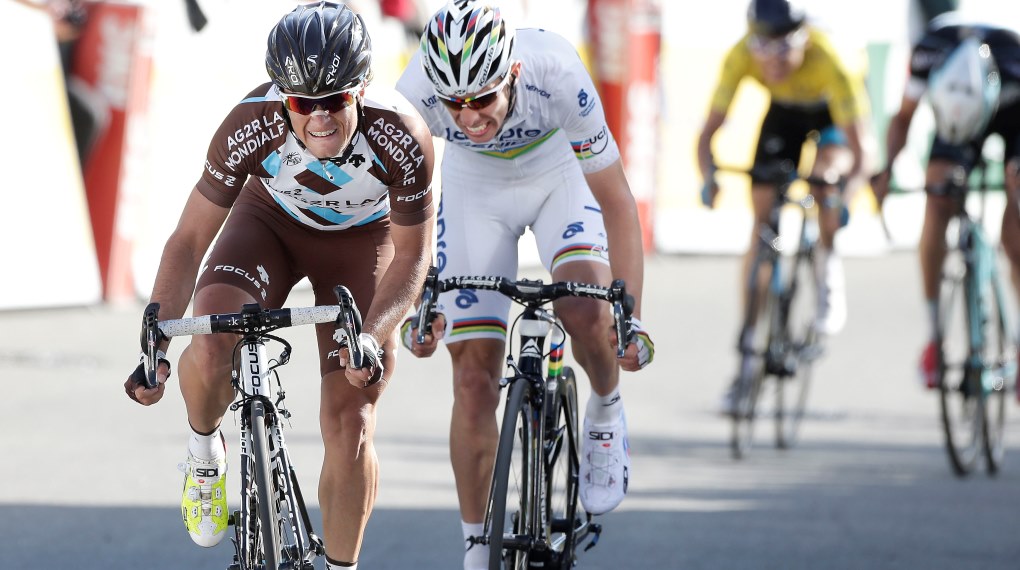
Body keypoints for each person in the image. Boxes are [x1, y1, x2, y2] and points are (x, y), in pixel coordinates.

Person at [121, 3, 435, 569]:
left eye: (334, 100)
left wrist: (372, 332)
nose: (318, 118)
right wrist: (156, 344)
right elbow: (189, 240)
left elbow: (413, 254)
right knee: (214, 338)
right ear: (280, 96)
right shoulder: (250, 123)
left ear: (360, 89)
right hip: (268, 224)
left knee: (351, 418)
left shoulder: (402, 134)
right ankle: (203, 453)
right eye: (300, 103)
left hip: (363, 242)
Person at [395, 1, 655, 568]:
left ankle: (606, 413)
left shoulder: (557, 72)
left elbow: (616, 202)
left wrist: (629, 316)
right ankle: (474, 548)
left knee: (586, 312)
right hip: (472, 186)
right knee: (470, 380)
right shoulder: (412, 95)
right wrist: (416, 304)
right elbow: (398, 216)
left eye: (482, 98)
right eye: (454, 103)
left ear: (511, 73)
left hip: (556, 171)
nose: (467, 117)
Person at [696, 0, 874, 412]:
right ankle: (747, 356)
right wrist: (709, 176)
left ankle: (827, 266)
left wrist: (843, 202)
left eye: (782, 50)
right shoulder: (740, 54)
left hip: (832, 116)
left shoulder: (833, 59)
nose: (772, 61)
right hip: (783, 115)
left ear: (804, 39)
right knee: (762, 223)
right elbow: (707, 134)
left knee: (827, 181)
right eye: (763, 49)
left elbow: (863, 154)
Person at [871, 13, 1020, 393]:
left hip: (1012, 116)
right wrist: (887, 170)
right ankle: (934, 333)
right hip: (958, 116)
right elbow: (903, 119)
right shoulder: (931, 52)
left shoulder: (1014, 56)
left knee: (1016, 231)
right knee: (937, 199)